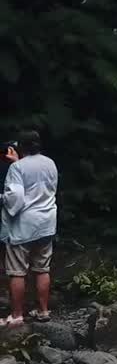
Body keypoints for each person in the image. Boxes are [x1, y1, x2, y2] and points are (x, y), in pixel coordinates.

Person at [2, 130, 57, 326]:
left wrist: (3, 199)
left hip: (24, 225)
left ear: (20, 147)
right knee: (42, 268)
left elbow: (15, 198)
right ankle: (43, 311)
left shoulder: (17, 168)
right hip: (47, 223)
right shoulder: (50, 163)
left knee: (17, 271)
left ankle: (17, 315)